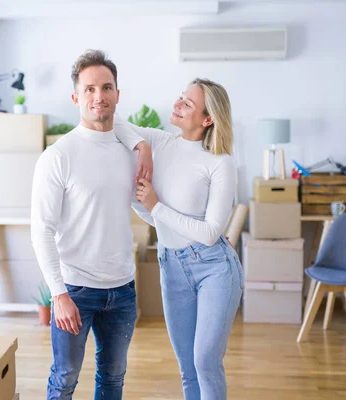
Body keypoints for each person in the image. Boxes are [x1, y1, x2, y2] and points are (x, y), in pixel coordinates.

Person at [30, 49, 152, 400]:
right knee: (64, 379)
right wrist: (59, 294)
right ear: (76, 97)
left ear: (117, 94)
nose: (99, 96)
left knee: (113, 379)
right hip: (76, 289)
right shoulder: (58, 155)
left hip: (122, 289)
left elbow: (139, 207)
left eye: (106, 87)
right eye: (89, 89)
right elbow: (42, 230)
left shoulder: (127, 150)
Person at [115, 78, 243, 400]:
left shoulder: (221, 163)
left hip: (214, 267)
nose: (177, 104)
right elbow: (116, 123)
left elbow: (211, 231)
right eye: (180, 97)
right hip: (171, 266)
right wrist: (143, 149)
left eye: (188, 103)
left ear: (207, 118)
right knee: (187, 367)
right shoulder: (159, 143)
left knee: (205, 362)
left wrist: (155, 204)